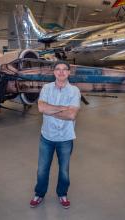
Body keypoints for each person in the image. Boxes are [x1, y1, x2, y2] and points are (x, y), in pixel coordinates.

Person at [30, 60, 81, 209]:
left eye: (64, 69)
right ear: (54, 72)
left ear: (69, 73)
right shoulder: (46, 88)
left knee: (64, 170)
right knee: (42, 169)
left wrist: (51, 110)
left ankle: (62, 194)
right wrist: (62, 108)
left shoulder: (74, 91)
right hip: (47, 136)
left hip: (66, 138)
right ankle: (39, 194)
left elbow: (72, 115)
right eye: (58, 69)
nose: (61, 72)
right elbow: (41, 108)